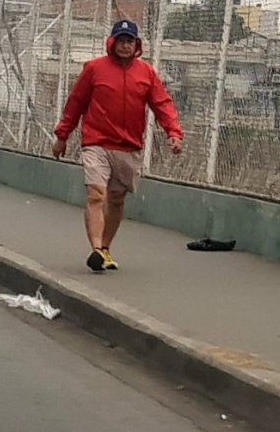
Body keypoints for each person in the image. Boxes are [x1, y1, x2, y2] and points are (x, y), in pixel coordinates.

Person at [54, 20, 184, 272]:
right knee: (96, 194)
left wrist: (173, 133)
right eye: (121, 40)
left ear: (137, 45)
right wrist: (62, 136)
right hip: (96, 142)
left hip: (128, 146)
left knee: (116, 199)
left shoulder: (146, 73)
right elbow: (76, 104)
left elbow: (162, 104)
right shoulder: (94, 69)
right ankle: (95, 249)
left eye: (130, 41)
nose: (125, 46)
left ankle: (104, 248)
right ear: (112, 43)